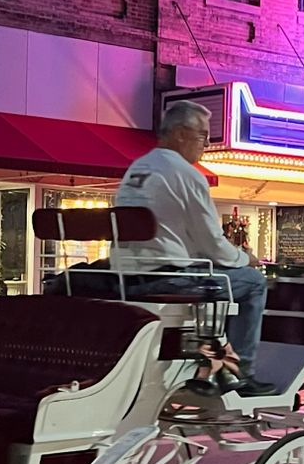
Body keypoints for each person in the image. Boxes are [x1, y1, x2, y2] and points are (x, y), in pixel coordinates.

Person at [112, 100, 273, 395]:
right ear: (180, 133)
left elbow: (179, 238)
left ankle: (210, 360)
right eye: (203, 135)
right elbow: (212, 242)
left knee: (218, 277)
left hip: (127, 276)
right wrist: (244, 258)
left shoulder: (138, 168)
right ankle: (240, 372)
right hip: (164, 278)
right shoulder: (186, 174)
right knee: (253, 283)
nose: (207, 143)